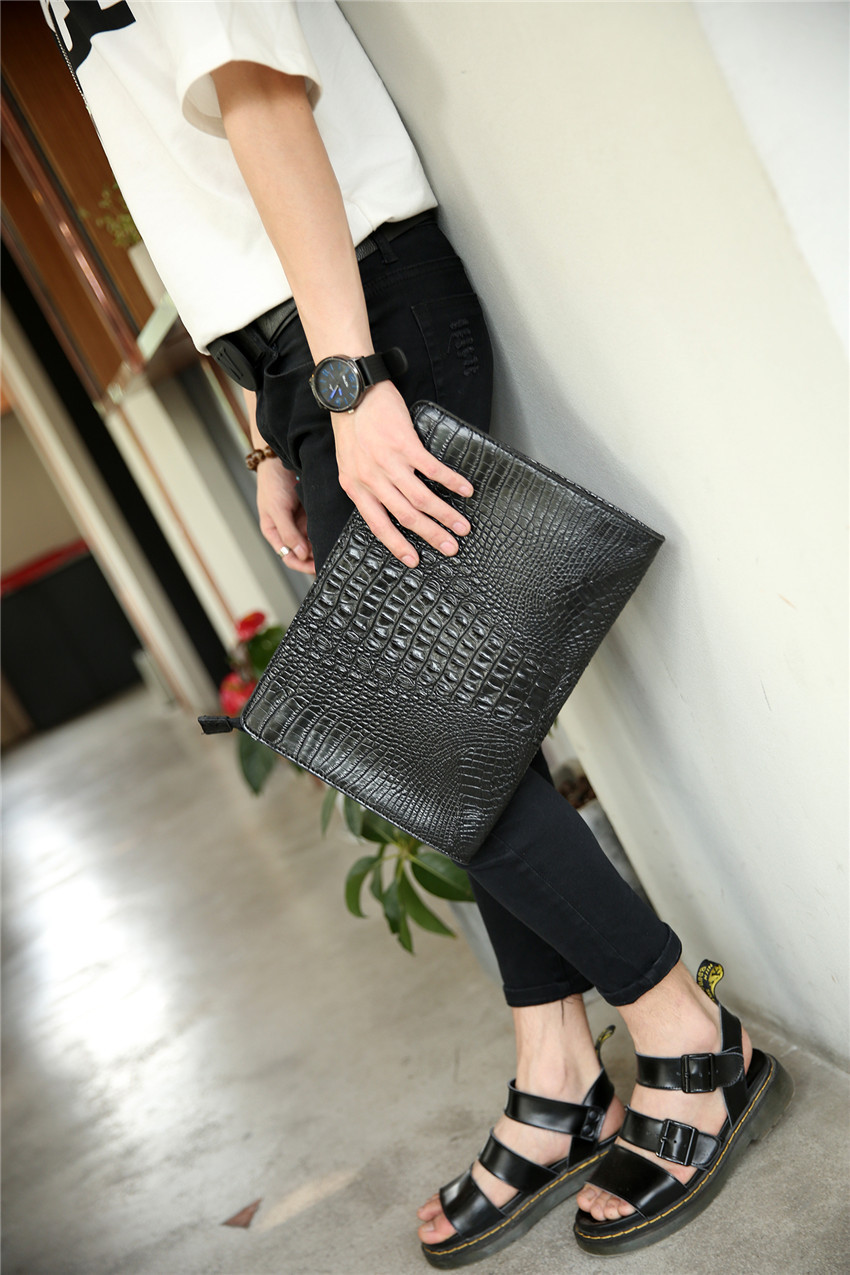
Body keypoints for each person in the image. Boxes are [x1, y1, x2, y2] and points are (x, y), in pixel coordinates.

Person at [41, 0, 791, 1264]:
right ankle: (557, 1067)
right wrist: (269, 429)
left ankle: (685, 1029)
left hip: (357, 322)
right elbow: (196, 184)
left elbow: (262, 95)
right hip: (300, 354)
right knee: (454, 739)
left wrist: (346, 382)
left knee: (418, 732)